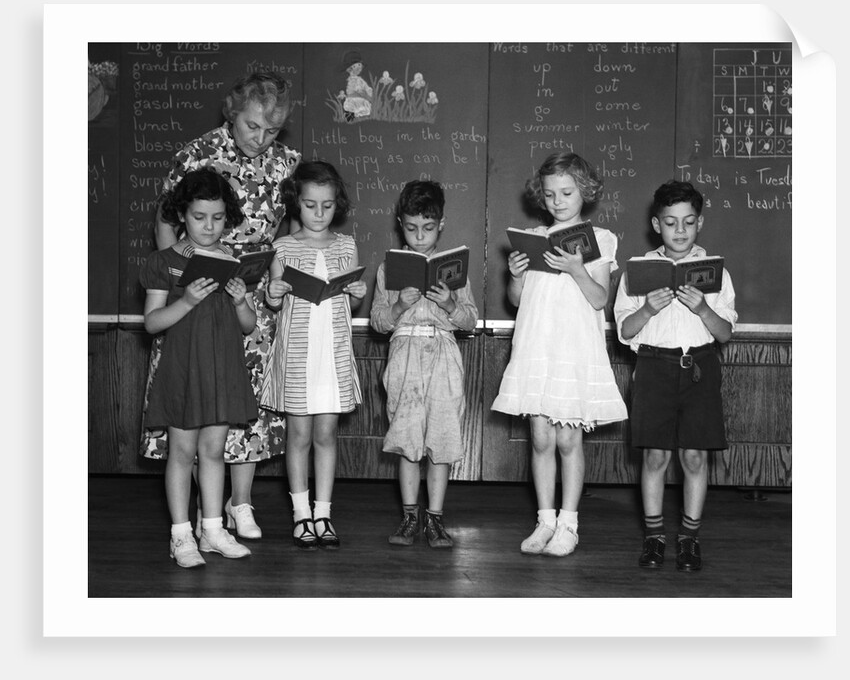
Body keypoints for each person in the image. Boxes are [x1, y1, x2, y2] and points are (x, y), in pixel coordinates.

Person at [140, 72, 301, 540]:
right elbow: (167, 221)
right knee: (194, 405)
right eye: (252, 126)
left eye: (272, 130)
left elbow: (288, 233)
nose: (261, 138)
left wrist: (272, 281)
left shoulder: (287, 162)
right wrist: (178, 279)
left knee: (243, 402)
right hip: (191, 298)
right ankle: (193, 520)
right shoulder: (197, 154)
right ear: (232, 112)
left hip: (247, 295)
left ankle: (239, 505)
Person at [491, 152, 628, 557]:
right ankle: (545, 520)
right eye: (550, 194)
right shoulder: (534, 236)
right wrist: (515, 276)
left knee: (569, 439)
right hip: (537, 347)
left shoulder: (600, 240)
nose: (558, 201)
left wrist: (576, 268)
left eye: (566, 192)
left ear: (584, 191)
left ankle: (569, 523)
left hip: (573, 350)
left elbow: (600, 298)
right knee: (540, 438)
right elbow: (517, 301)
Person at [613, 180, 737, 572]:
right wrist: (648, 309)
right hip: (653, 367)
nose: (679, 231)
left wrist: (703, 309)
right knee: (654, 457)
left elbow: (725, 332)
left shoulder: (716, 273)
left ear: (699, 223)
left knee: (695, 457)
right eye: (670, 223)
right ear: (656, 224)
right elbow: (625, 331)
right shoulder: (639, 271)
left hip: (699, 368)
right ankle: (654, 537)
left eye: (687, 222)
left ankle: (689, 538)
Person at [140, 168, 256, 568]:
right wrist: (186, 300)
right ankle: (180, 535)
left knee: (213, 452)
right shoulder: (164, 262)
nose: (209, 226)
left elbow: (248, 325)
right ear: (182, 216)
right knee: (182, 452)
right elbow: (152, 322)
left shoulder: (231, 261)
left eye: (218, 218)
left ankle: (212, 530)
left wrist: (242, 300)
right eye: (199, 217)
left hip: (221, 368)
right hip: (182, 370)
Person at [260, 161, 366, 550]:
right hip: (299, 355)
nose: (319, 214)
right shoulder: (283, 247)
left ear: (337, 204)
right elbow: (274, 302)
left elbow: (350, 305)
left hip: (332, 353)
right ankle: (301, 515)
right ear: (296, 204)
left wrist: (358, 294)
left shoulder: (346, 245)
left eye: (326, 205)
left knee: (326, 434)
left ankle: (324, 513)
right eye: (310, 205)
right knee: (299, 435)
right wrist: (273, 293)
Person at [369, 180, 479, 549]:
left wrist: (450, 304)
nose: (419, 236)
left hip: (444, 357)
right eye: (412, 228)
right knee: (406, 441)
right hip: (404, 357)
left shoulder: (453, 270)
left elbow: (470, 321)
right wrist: (399, 305)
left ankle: (435, 520)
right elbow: (378, 322)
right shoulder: (389, 268)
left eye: (428, 228)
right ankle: (409, 517)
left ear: (441, 225)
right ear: (401, 223)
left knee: (441, 440)